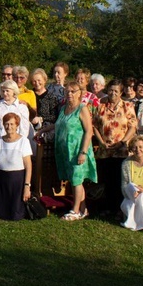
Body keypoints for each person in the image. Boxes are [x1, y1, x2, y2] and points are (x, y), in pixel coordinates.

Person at [54, 81, 97, 221]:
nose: (70, 94)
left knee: (77, 180)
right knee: (74, 181)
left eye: (73, 91)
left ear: (80, 93)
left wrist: (83, 152)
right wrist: (43, 130)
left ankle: (75, 210)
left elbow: (89, 131)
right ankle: (84, 209)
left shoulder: (82, 109)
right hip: (66, 152)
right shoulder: (63, 108)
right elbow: (58, 125)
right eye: (67, 91)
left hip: (78, 151)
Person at [94, 78, 137, 216]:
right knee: (105, 180)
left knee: (119, 180)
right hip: (104, 150)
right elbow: (94, 125)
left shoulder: (127, 106)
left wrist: (123, 142)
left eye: (116, 91)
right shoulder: (101, 106)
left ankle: (119, 208)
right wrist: (101, 142)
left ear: (121, 92)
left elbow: (133, 126)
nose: (113, 93)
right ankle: (105, 208)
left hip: (121, 150)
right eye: (111, 90)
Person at [0, 113, 33, 221]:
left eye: (11, 124)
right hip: (2, 178)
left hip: (17, 180)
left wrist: (27, 186)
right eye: (6, 124)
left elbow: (28, 166)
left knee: (16, 215)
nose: (9, 127)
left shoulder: (24, 141)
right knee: (1, 213)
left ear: (17, 125)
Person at [0, 79, 30, 148]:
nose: (5, 93)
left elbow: (24, 128)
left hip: (15, 143)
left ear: (14, 91)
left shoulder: (21, 107)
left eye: (7, 91)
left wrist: (20, 142)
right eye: (3, 91)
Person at [31, 68, 60, 133]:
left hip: (46, 131)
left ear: (44, 80)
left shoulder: (51, 96)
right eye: (34, 81)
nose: (37, 83)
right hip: (29, 129)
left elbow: (54, 116)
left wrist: (41, 118)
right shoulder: (29, 94)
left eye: (39, 80)